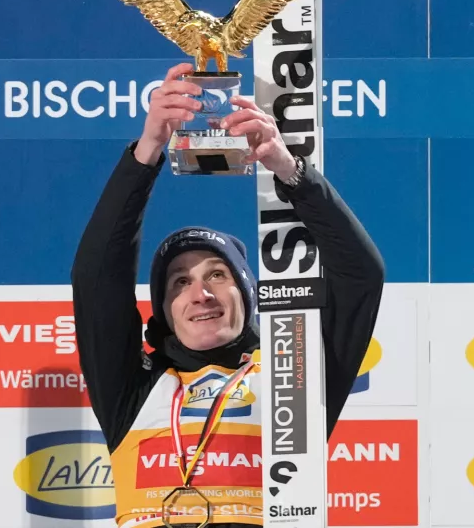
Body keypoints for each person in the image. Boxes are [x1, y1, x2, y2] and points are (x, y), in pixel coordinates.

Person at [71, 62, 384, 528]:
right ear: (163, 312)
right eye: (180, 282)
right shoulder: (132, 388)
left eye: (218, 275)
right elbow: (97, 279)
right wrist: (148, 150)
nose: (200, 293)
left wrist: (287, 168)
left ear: (247, 295)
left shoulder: (294, 373)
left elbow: (360, 275)